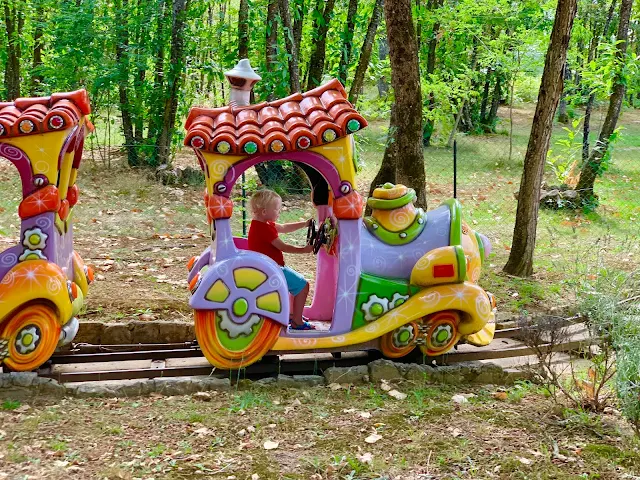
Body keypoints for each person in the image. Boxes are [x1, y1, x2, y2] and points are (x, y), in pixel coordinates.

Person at [247, 189, 316, 330]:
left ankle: (293, 314)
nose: (279, 212)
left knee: (295, 286)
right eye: (277, 209)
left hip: (268, 267)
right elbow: (283, 247)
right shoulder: (263, 229)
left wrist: (305, 224)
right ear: (264, 211)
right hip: (270, 270)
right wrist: (304, 250)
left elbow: (284, 227)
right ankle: (297, 322)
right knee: (303, 286)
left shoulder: (263, 224)